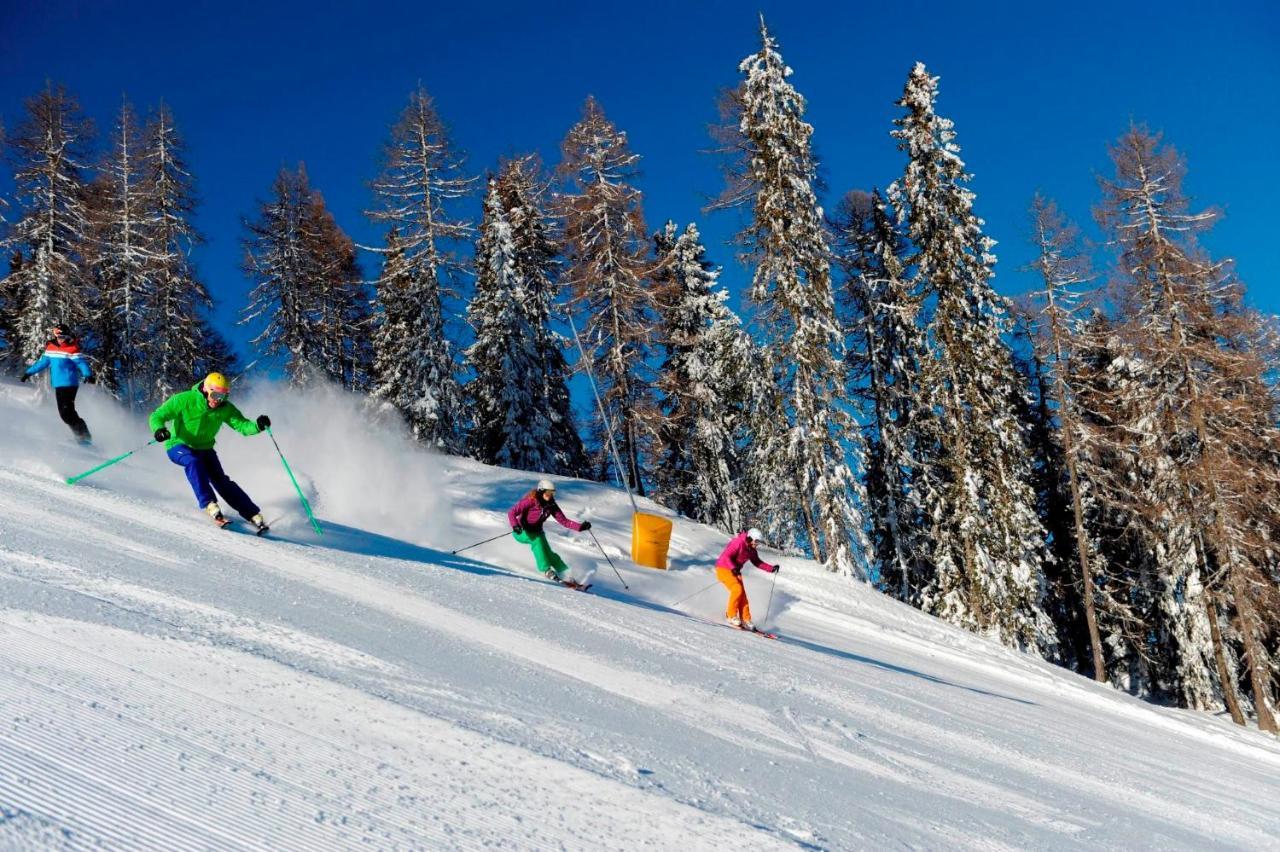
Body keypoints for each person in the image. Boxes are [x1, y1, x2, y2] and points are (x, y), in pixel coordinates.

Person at [149, 371, 271, 532]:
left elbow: (242, 425)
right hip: (178, 445)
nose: (217, 400)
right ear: (206, 390)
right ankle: (209, 504)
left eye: (223, 396)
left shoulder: (225, 408)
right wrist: (159, 429)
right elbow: (158, 415)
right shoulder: (185, 399)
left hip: (205, 449)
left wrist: (257, 425)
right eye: (215, 394)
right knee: (193, 462)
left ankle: (253, 515)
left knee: (221, 481)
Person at [21, 323, 94, 444]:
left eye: (63, 337)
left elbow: (81, 363)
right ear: (55, 336)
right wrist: (28, 373)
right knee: (65, 414)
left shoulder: (72, 348)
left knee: (67, 413)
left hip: (69, 384)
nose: (61, 340)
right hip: (58, 385)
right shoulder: (51, 348)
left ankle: (84, 437)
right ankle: (81, 436)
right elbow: (43, 363)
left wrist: (88, 375)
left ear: (67, 337)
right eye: (59, 337)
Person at [508, 478, 591, 583]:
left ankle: (565, 573)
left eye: (552, 493)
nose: (550, 496)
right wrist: (515, 526)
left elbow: (564, 521)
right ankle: (546, 570)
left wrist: (580, 527)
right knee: (537, 542)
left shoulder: (551, 505)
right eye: (548, 493)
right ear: (541, 491)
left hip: (537, 532)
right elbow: (511, 512)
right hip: (521, 532)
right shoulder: (530, 501)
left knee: (549, 553)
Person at [715, 527, 780, 630]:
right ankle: (731, 615)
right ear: (750, 538)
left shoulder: (751, 550)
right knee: (737, 589)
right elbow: (725, 556)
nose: (757, 544)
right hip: (723, 568)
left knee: (743, 596)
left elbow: (757, 562)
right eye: (757, 541)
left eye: (759, 542)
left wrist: (771, 568)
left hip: (735, 571)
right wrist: (733, 567)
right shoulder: (738, 542)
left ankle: (746, 619)